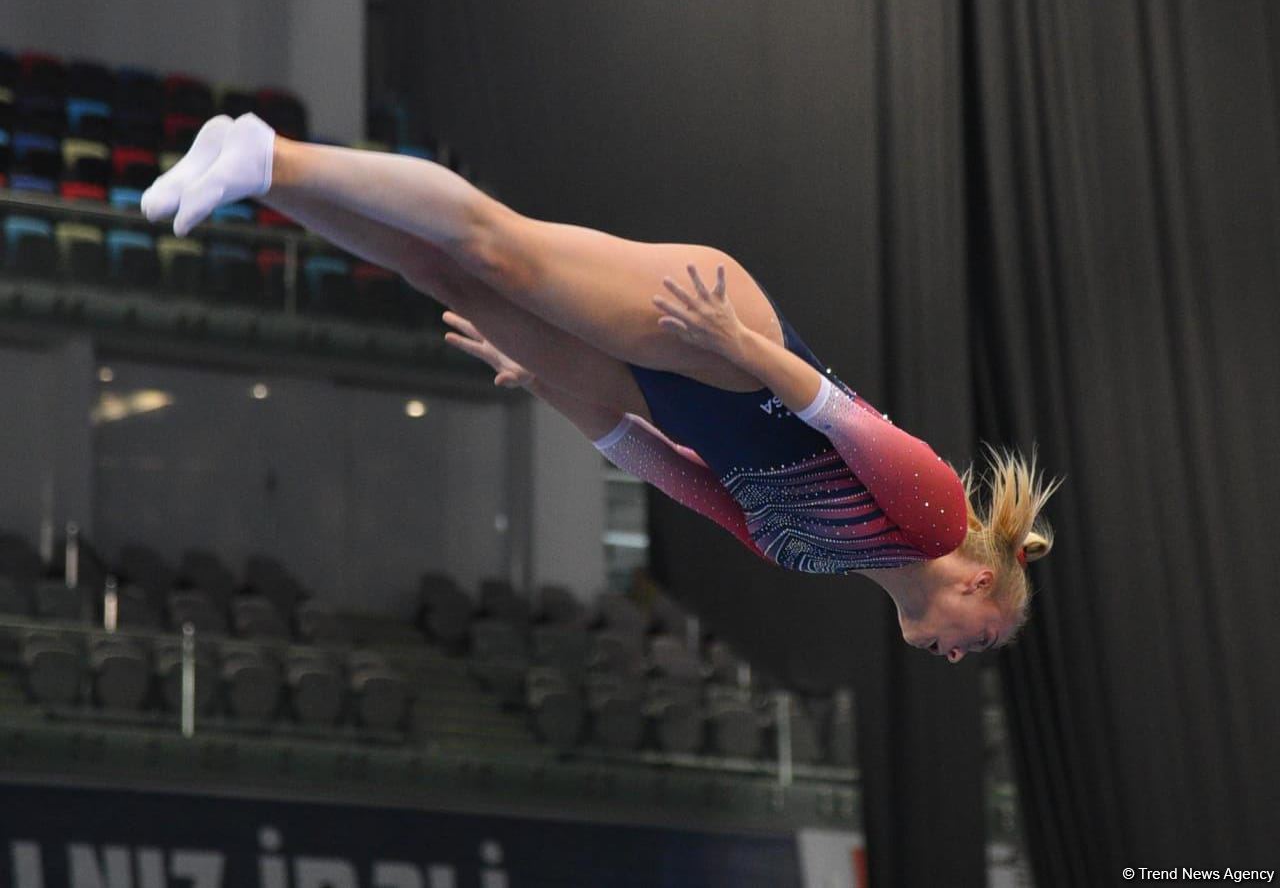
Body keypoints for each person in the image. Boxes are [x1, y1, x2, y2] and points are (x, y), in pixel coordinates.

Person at [142, 113, 1061, 662]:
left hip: (660, 392)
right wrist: (737, 339)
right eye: (977, 639)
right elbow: (832, 408)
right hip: (723, 343)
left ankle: (257, 180)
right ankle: (274, 155)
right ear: (980, 581)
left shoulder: (806, 556)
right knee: (501, 250)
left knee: (451, 281)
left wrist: (543, 381)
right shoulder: (937, 516)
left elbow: (660, 467)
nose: (956, 655)